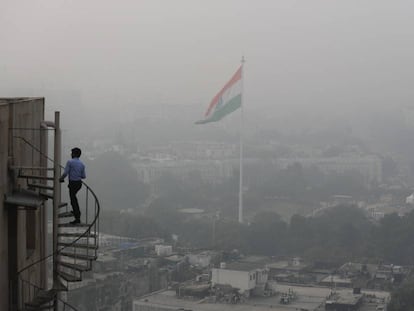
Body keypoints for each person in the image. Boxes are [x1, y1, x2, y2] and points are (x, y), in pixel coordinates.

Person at [59, 147, 86, 224]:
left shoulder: (70, 162)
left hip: (72, 183)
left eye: (72, 153)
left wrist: (60, 179)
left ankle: (77, 217)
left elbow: (65, 173)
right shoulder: (82, 164)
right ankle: (76, 212)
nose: (71, 154)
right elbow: (83, 176)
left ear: (74, 154)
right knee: (74, 198)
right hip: (79, 184)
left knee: (73, 199)